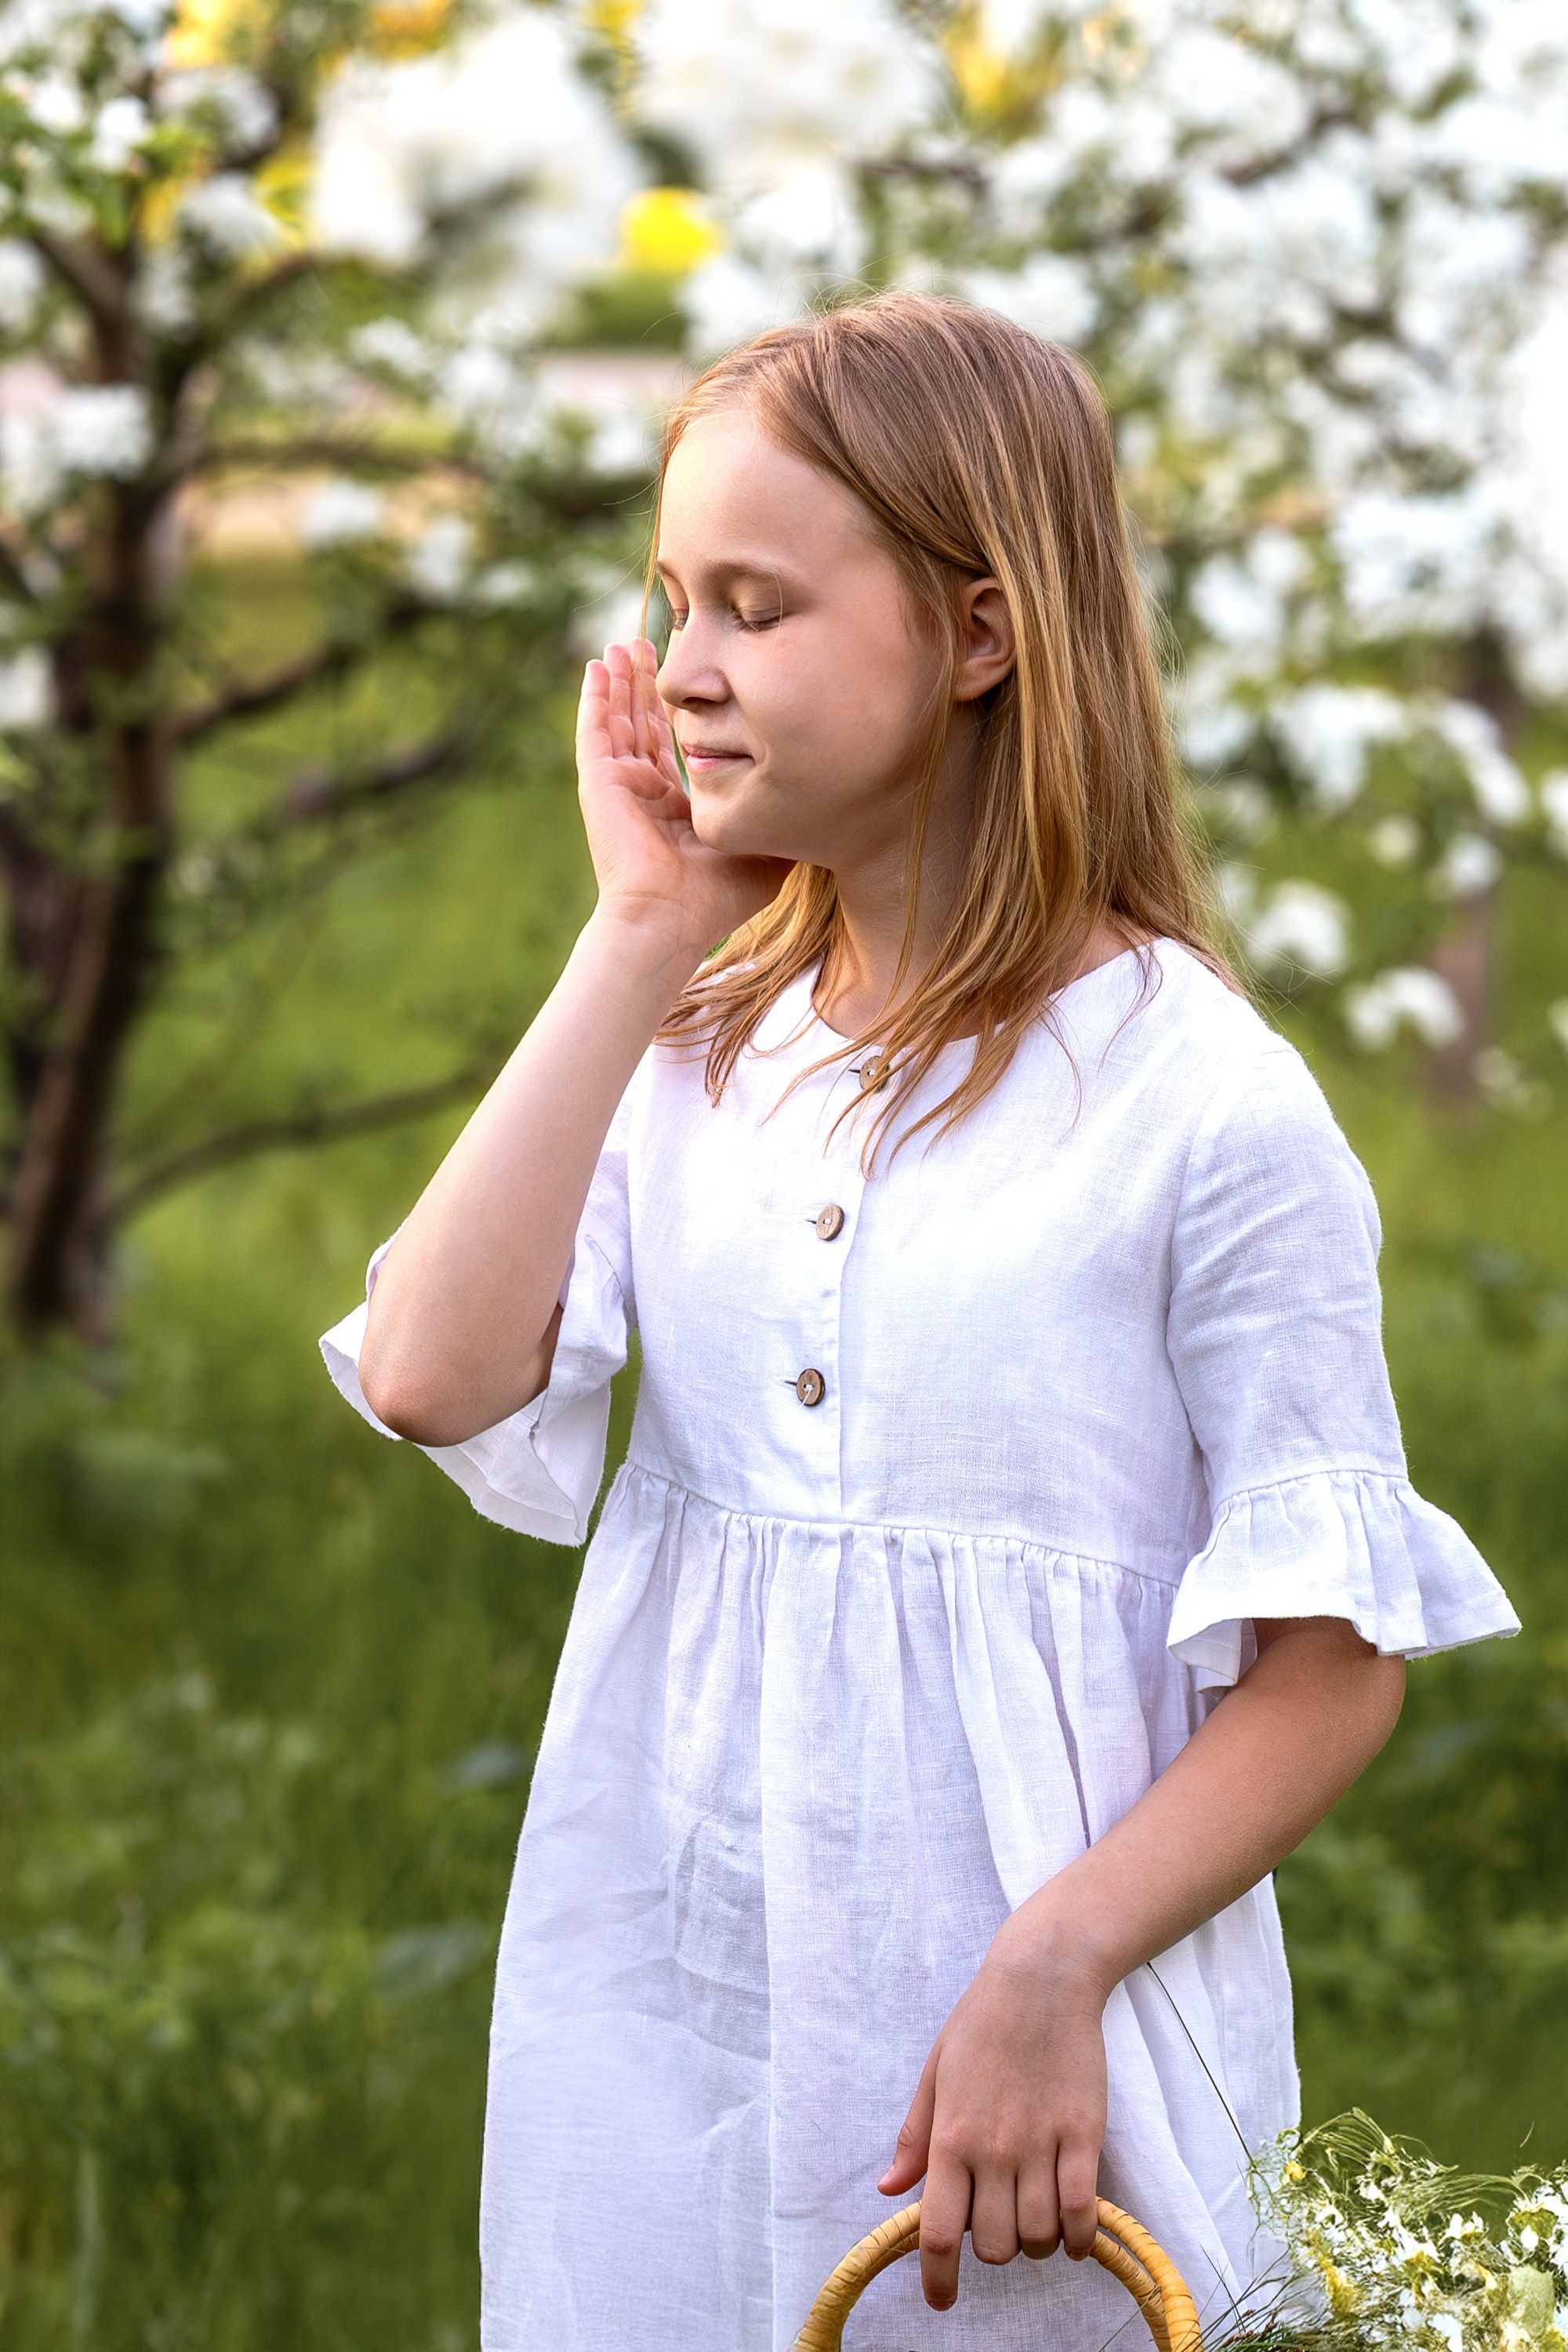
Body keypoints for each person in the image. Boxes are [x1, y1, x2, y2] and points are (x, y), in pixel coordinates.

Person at [320, 293, 1518, 2352]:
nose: (685, 670)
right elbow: (433, 1370)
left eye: (761, 607)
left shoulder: (1199, 1106)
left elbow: (1330, 1673)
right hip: (667, 2017)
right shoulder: (699, 1045)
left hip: (1021, 2082)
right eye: (672, 599)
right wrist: (634, 939)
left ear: (979, 637)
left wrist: (1054, 1968)